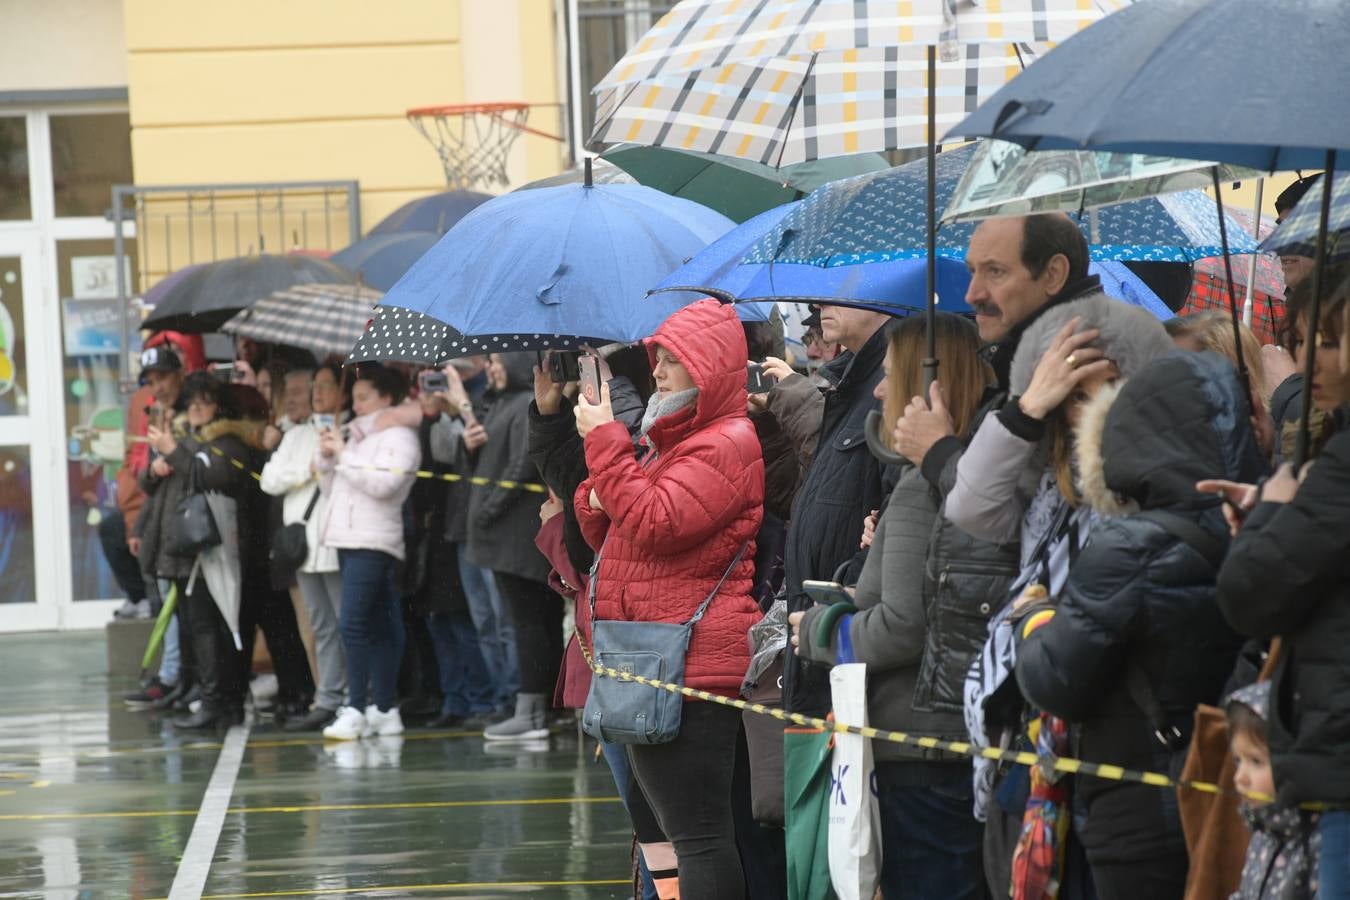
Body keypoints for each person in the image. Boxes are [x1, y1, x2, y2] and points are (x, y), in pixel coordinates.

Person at [1013, 351, 1269, 900]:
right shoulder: (1267, 523)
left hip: (1138, 811)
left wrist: (1034, 619)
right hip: (1236, 787)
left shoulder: (1128, 546)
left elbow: (1056, 678)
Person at [790, 313, 1003, 900]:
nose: (879, 390)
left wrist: (819, 629)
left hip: (917, 742)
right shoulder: (961, 476)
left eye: (890, 376)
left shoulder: (920, 486)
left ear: (925, 386)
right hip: (941, 735)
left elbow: (904, 625)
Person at [574, 299, 764, 899]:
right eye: (657, 358)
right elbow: (610, 525)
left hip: (691, 663)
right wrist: (599, 490)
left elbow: (656, 523)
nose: (657, 371)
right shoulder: (669, 440)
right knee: (680, 836)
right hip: (650, 657)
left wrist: (607, 444)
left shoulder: (726, 443)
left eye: (673, 361)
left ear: (707, 368)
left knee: (700, 838)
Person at [1206, 267, 1350, 897]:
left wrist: (1270, 513)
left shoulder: (1341, 461)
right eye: (1303, 338)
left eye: (1330, 339)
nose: (1306, 357)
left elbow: (1248, 596)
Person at [776, 300, 894, 716]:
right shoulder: (852, 385)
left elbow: (896, 523)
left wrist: (851, 587)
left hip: (848, 646)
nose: (819, 302)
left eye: (842, 287)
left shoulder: (887, 388)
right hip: (821, 638)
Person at [148, 372, 275, 730]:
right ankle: (216, 700)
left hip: (226, 551)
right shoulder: (199, 440)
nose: (197, 409)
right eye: (192, 403)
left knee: (220, 628)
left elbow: (212, 476)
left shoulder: (230, 441)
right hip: (202, 549)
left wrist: (174, 452)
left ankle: (222, 701)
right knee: (203, 626)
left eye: (204, 402)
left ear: (220, 406)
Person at [317, 364, 420, 741]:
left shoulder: (401, 437)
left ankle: (357, 706)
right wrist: (328, 458)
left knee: (353, 623)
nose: (356, 405)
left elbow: (385, 484)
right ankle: (385, 707)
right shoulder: (357, 436)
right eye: (355, 398)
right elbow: (333, 490)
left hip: (374, 540)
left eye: (364, 398)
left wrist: (344, 455)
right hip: (348, 536)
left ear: (387, 399)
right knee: (376, 624)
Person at [470, 353, 561, 742]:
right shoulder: (503, 402)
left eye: (496, 361)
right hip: (510, 534)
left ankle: (533, 708)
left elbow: (520, 465)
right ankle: (549, 706)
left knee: (528, 622)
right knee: (535, 621)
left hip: (516, 534)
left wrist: (488, 507)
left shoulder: (527, 404)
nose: (491, 367)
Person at [259, 365, 346, 732]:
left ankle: (356, 696)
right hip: (303, 548)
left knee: (347, 624)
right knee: (321, 625)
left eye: (325, 386)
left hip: (337, 539)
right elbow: (269, 479)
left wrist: (316, 466)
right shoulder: (296, 435)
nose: (316, 393)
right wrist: (306, 470)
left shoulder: (346, 430)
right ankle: (328, 696)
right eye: (315, 386)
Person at [1226, 682, 1321, 900]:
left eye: (1256, 761)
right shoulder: (1267, 831)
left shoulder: (1323, 846)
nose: (1240, 777)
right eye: (1238, 760)